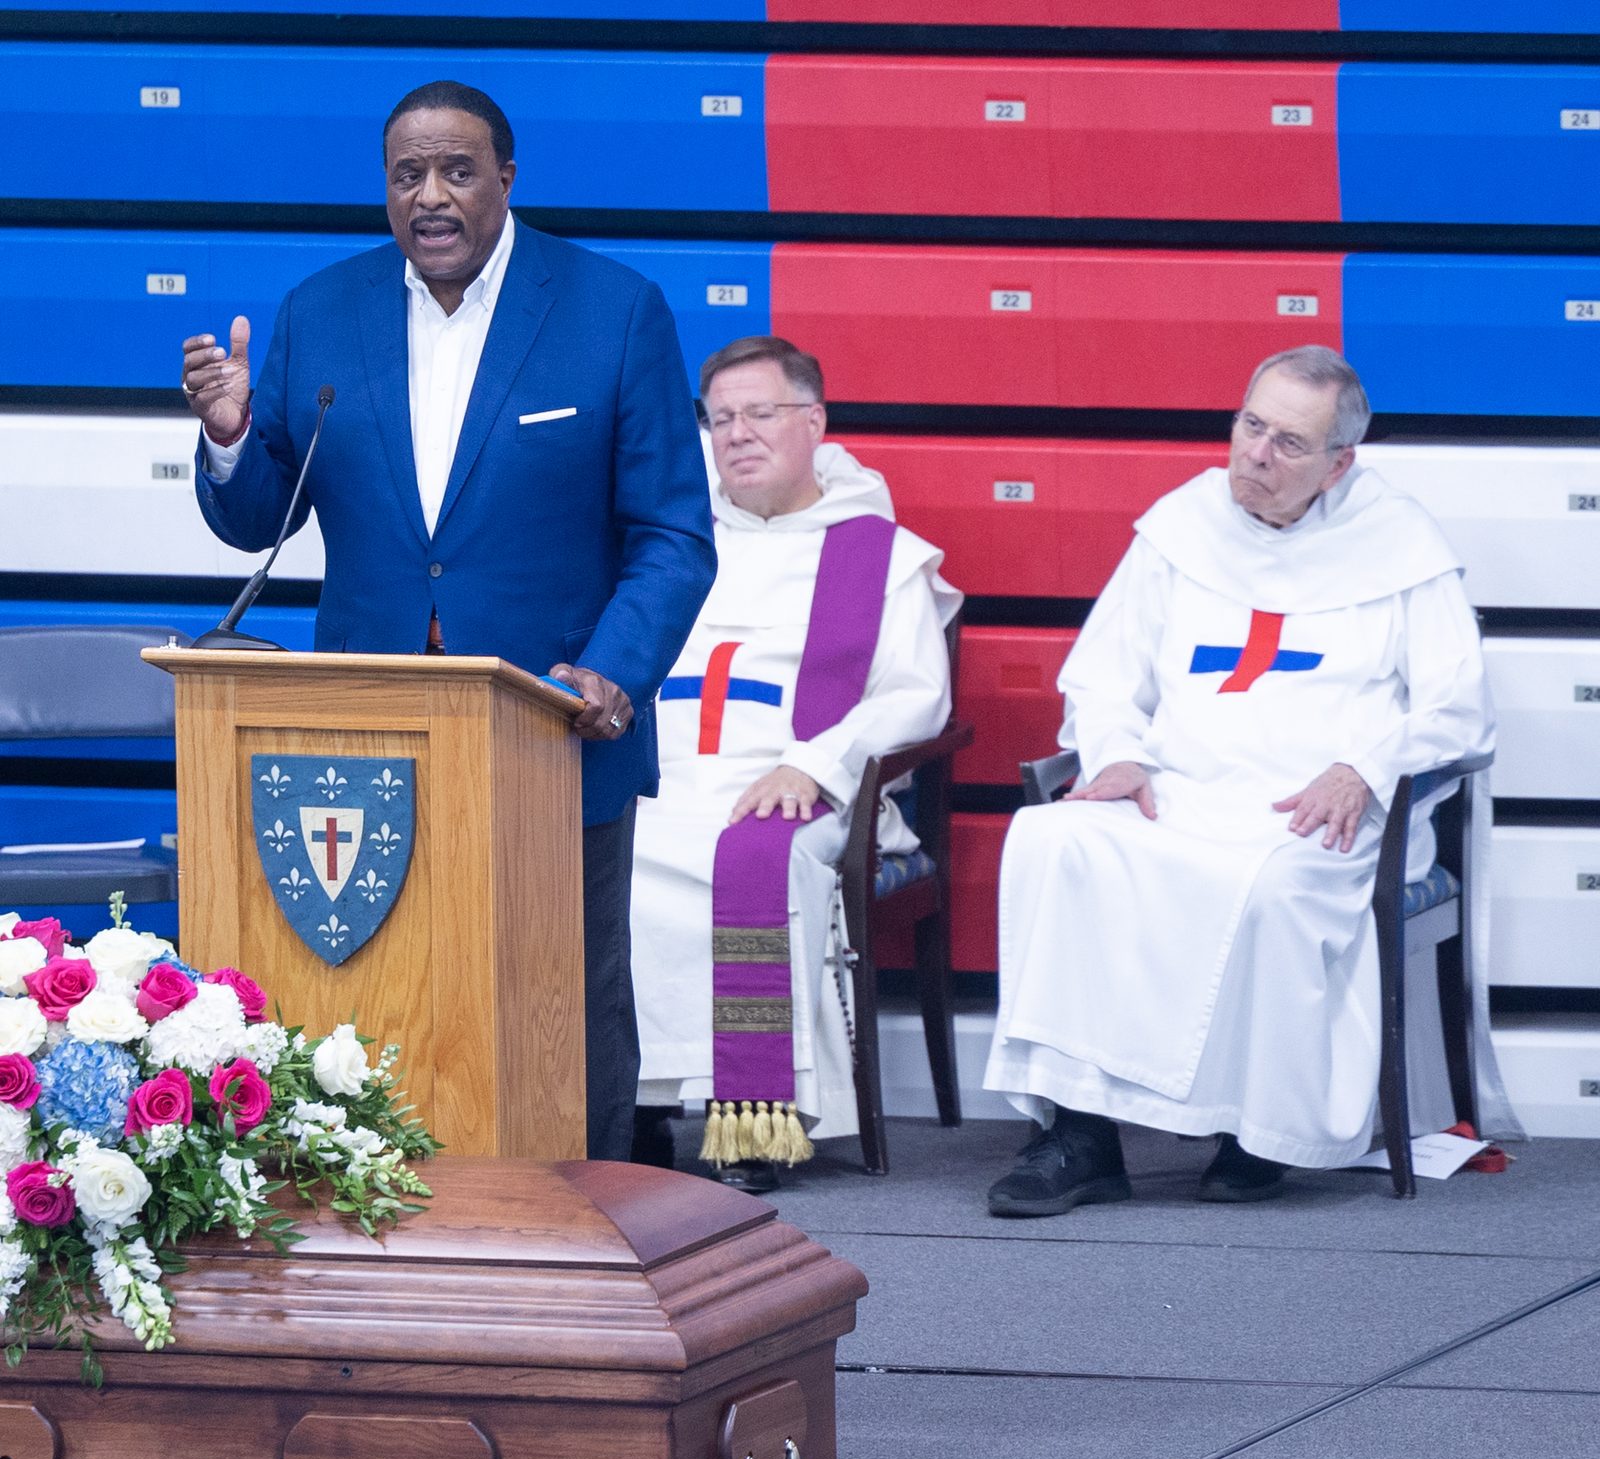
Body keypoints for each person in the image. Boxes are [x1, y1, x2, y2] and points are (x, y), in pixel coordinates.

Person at [179, 80, 716, 1163]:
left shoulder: (613, 308)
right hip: (365, 742)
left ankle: (588, 1227)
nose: (431, 195)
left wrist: (613, 671)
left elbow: (673, 534)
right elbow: (255, 520)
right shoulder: (322, 309)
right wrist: (233, 434)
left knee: (562, 1001)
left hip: (552, 733)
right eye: (407, 175)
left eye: (457, 170)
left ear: (505, 181)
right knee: (376, 995)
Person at [982, 345, 1495, 1216]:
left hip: (1313, 817)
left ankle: (1257, 1132)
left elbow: (1461, 708)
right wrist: (1116, 753)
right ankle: (1078, 1136)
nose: (1255, 455)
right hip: (1175, 794)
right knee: (1051, 838)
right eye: (1249, 425)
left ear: (1342, 464)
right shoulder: (1181, 528)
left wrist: (1364, 770)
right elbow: (1103, 675)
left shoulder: (1401, 544)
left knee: (1273, 891)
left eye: (1288, 443)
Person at [629, 336, 960, 1190]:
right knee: (588, 851)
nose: (737, 434)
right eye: (721, 418)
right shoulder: (667, 544)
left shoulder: (875, 554)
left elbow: (915, 696)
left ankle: (746, 1119)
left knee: (750, 855)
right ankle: (632, 1106)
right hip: (659, 775)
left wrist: (814, 763)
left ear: (813, 422)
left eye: (761, 413)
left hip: (792, 785)